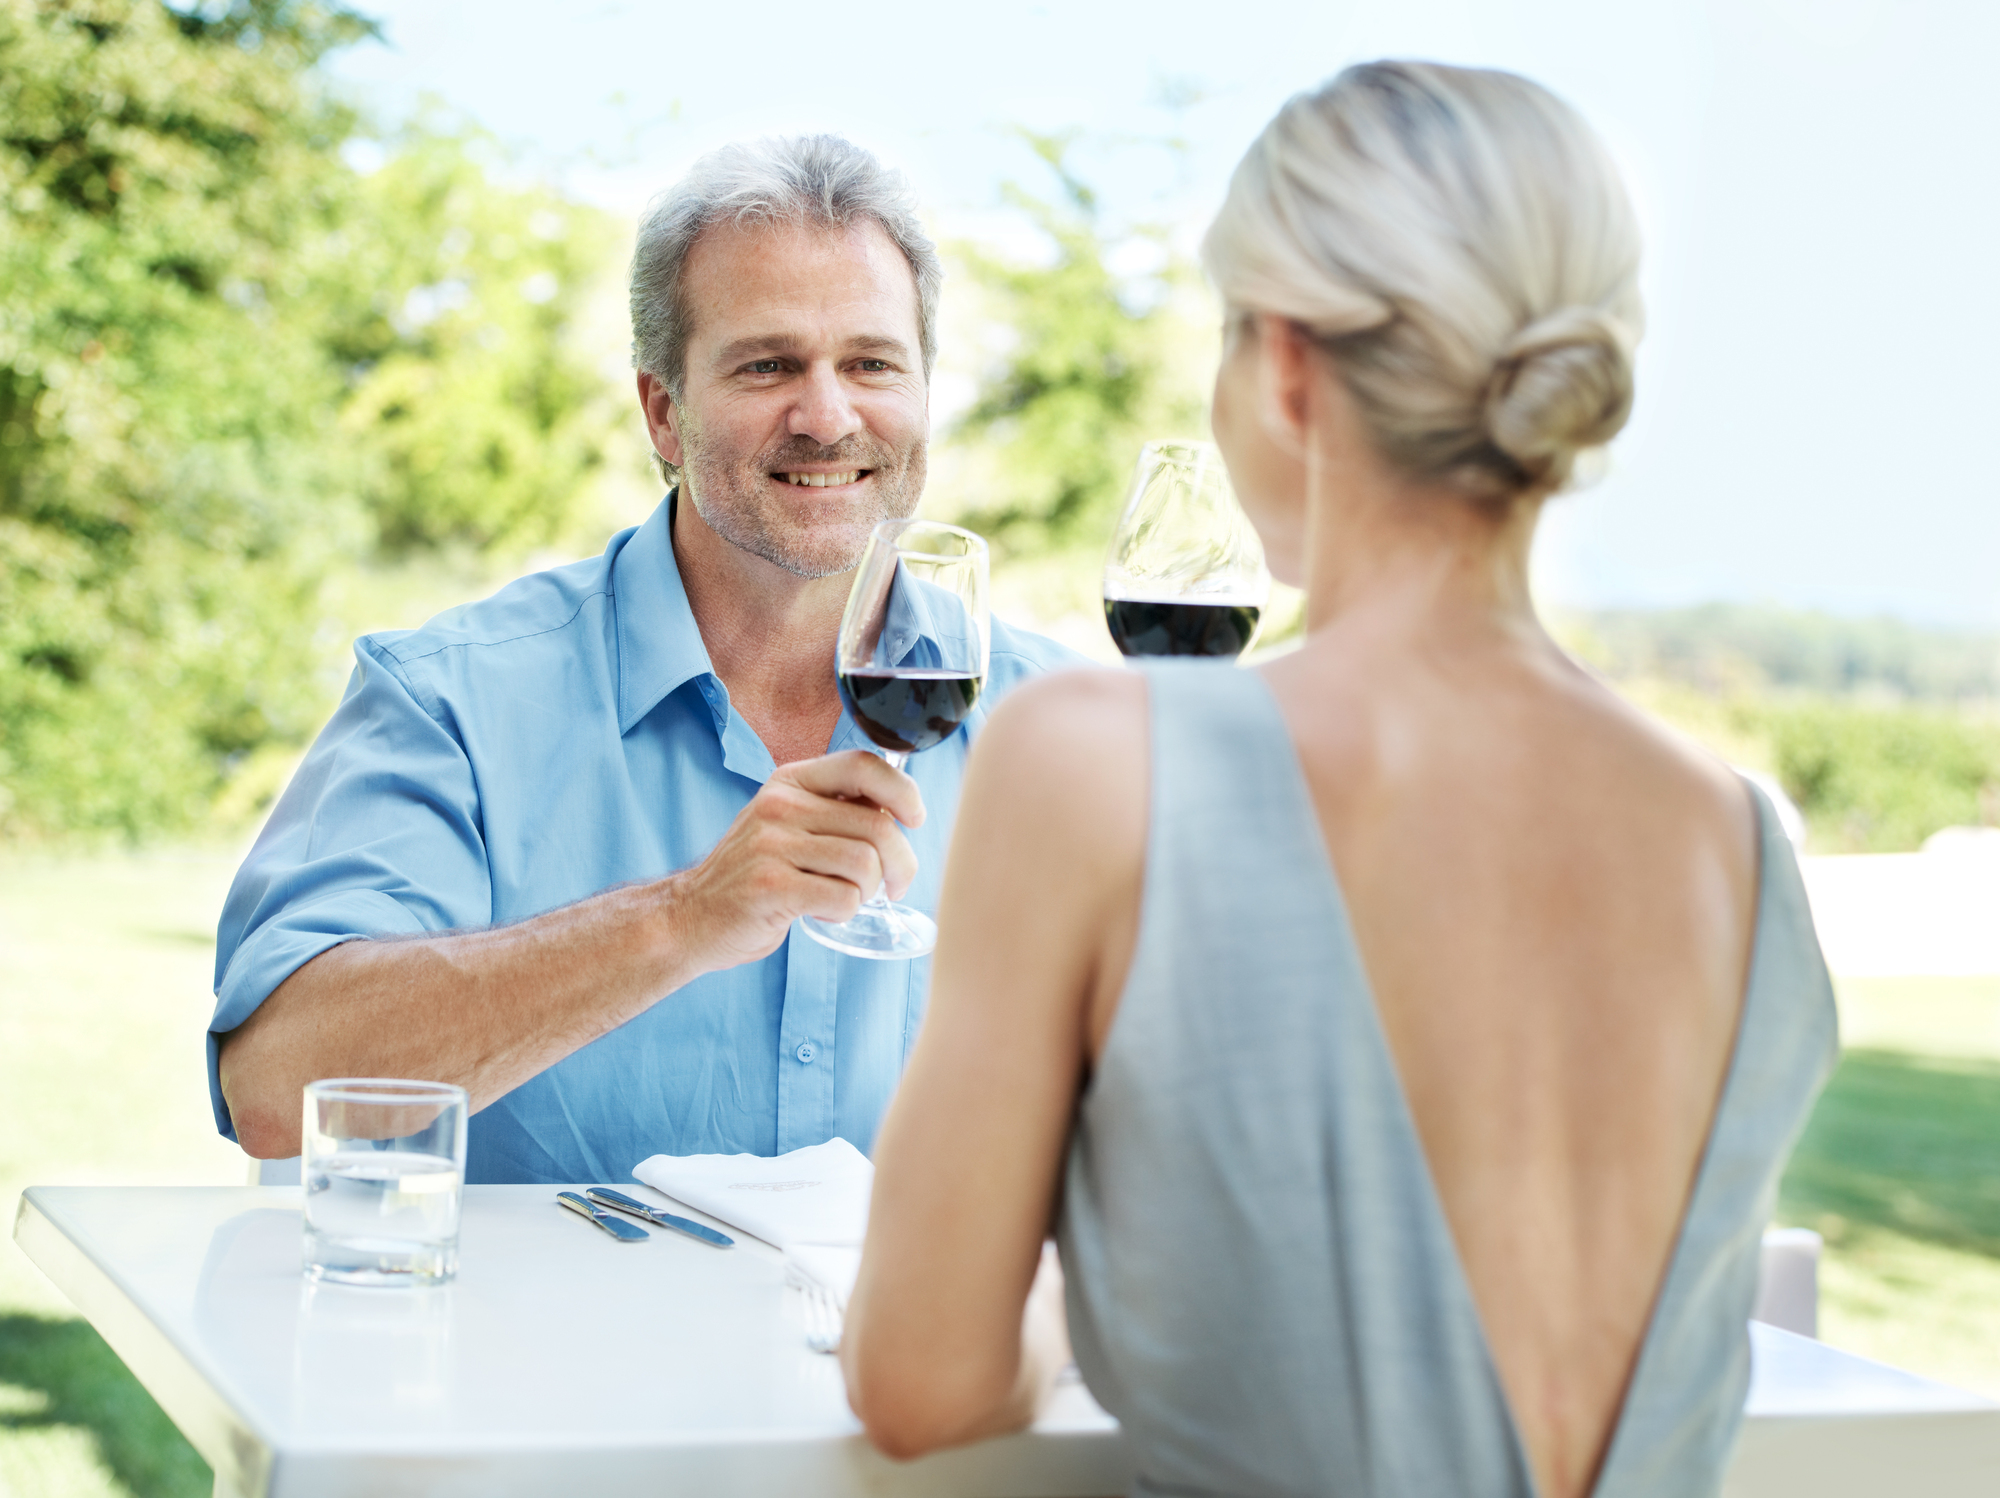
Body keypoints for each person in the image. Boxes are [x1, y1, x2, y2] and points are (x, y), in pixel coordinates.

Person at [840, 62, 1838, 1498]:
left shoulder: (1095, 763)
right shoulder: (1741, 844)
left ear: (1289, 365)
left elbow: (919, 1382)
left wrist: (1072, 1303)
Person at [208, 135, 1083, 1182]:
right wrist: (682, 918)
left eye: (871, 363)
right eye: (766, 365)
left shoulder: (1067, 728)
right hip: (538, 1349)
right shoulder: (452, 699)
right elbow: (274, 1088)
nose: (827, 414)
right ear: (663, 411)